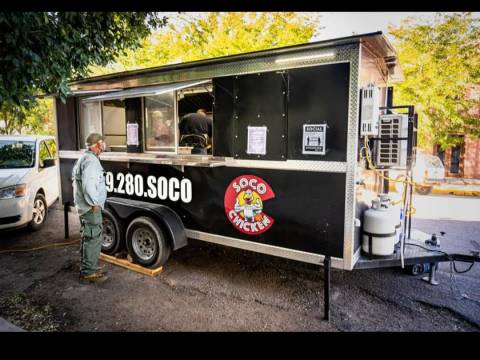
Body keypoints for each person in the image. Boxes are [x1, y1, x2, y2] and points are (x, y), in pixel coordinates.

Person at [72, 133, 109, 284]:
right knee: (93, 238)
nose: (105, 145)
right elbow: (88, 186)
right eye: (103, 142)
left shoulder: (84, 158)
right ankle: (88, 272)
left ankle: (89, 267)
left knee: (88, 238)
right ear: (98, 144)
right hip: (90, 208)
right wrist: (94, 203)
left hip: (84, 206)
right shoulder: (91, 161)